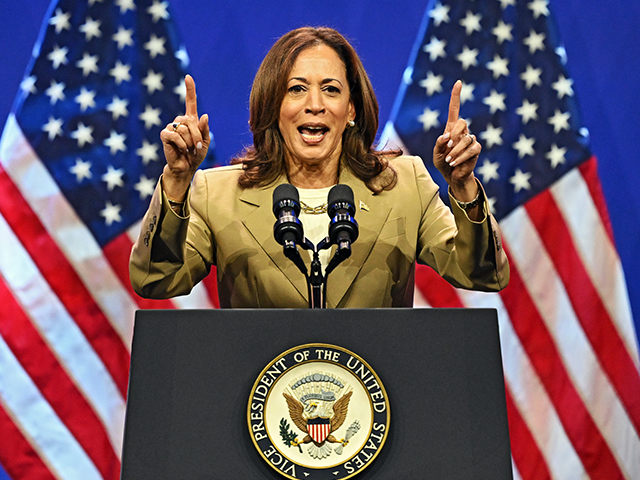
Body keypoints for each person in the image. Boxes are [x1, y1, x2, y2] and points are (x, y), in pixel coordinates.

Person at [129, 27, 509, 308]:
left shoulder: (403, 185)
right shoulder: (220, 194)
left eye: (331, 89)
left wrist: (463, 187)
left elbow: (483, 273)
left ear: (351, 111)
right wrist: (177, 181)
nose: (315, 104)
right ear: (273, 107)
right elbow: (155, 279)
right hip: (259, 402)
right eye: (296, 89)